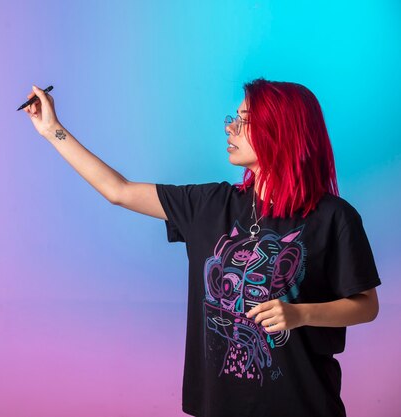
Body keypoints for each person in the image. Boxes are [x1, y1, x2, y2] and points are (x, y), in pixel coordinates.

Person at [22, 78, 381, 417]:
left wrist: (301, 314)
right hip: (219, 404)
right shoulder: (208, 205)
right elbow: (119, 190)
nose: (230, 127)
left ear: (281, 130)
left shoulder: (334, 217)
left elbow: (365, 306)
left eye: (245, 120)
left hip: (303, 405)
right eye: (234, 118)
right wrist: (52, 131)